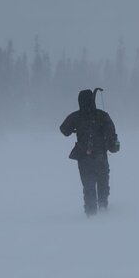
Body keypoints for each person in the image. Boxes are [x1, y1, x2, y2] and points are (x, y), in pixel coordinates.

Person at [60, 88, 120, 217]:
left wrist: (76, 127)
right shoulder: (102, 115)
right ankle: (103, 212)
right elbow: (112, 135)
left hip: (84, 158)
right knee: (102, 185)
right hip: (100, 157)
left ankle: (91, 215)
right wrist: (113, 146)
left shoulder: (76, 116)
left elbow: (64, 130)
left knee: (88, 187)